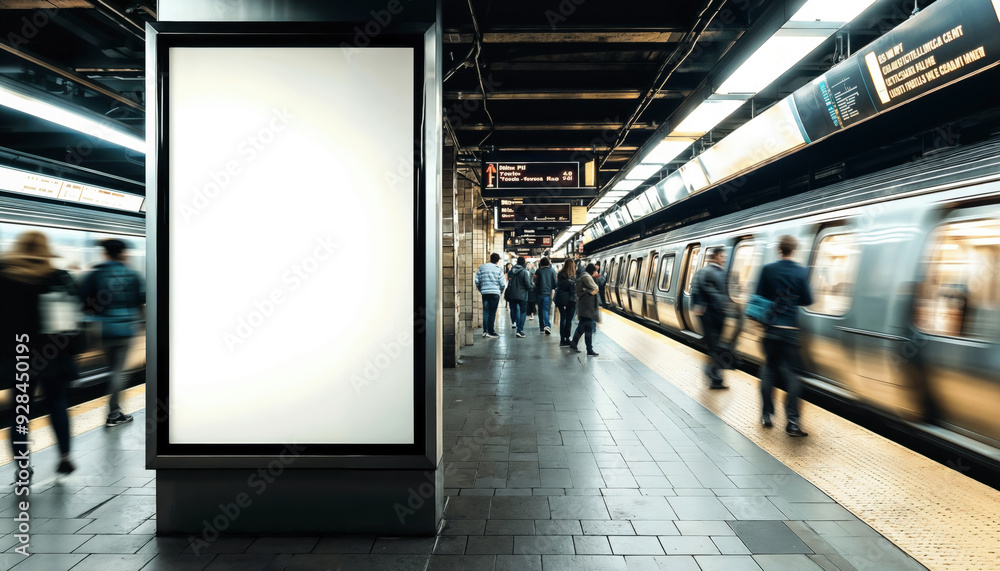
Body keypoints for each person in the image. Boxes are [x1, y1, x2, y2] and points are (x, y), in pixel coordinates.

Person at [0, 231, 78, 478]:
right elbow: (72, 320)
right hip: (52, 354)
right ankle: (65, 458)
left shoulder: (3, 277)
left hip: (17, 355)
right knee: (57, 403)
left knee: (20, 412)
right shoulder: (58, 277)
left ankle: (23, 467)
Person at [79, 238, 145, 427]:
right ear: (123, 253)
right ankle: (114, 413)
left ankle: (116, 412)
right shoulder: (132, 274)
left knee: (112, 370)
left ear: (105, 253)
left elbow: (84, 301)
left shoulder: (95, 274)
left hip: (104, 329)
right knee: (118, 371)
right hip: (125, 329)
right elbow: (140, 300)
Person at [756, 235, 814, 437]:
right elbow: (807, 300)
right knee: (792, 376)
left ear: (779, 249)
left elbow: (759, 297)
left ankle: (766, 415)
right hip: (790, 332)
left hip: (770, 330)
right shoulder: (801, 272)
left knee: (769, 370)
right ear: (794, 250)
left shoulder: (767, 270)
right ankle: (792, 422)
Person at [692, 247, 732, 390]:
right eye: (722, 256)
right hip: (710, 315)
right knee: (715, 347)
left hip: (718, 315)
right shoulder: (706, 272)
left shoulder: (720, 272)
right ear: (715, 256)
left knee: (715, 347)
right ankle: (715, 377)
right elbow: (697, 290)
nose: (725, 258)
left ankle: (712, 373)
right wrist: (699, 305)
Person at [569, 263, 600, 356]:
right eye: (596, 270)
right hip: (586, 307)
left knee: (582, 327)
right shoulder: (586, 277)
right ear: (593, 271)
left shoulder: (584, 276)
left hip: (585, 306)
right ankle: (589, 350)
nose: (597, 272)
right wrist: (591, 292)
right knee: (588, 328)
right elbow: (596, 288)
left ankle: (574, 344)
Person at [475, 253, 506, 339]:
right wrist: (500, 291)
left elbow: (477, 280)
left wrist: (481, 289)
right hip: (495, 292)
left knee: (486, 311)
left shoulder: (482, 267)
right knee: (492, 312)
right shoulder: (499, 269)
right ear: (497, 260)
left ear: (490, 258)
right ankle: (491, 331)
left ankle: (485, 331)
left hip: (485, 292)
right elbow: (503, 283)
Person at [506, 257, 532, 338]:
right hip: (522, 295)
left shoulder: (511, 271)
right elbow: (527, 284)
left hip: (512, 294)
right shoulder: (524, 272)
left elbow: (509, 280)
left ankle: (514, 322)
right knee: (522, 312)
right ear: (523, 263)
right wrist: (531, 288)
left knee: (514, 309)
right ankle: (520, 330)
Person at [555, 259, 577, 346]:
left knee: (563, 318)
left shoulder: (560, 274)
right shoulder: (573, 276)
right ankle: (567, 338)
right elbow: (572, 290)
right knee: (568, 319)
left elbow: (559, 285)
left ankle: (562, 339)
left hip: (560, 298)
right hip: (570, 300)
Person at [534, 257, 557, 335]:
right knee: (545, 310)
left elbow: (536, 283)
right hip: (548, 293)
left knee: (540, 310)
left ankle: (541, 327)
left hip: (540, 293)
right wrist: (552, 288)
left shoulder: (539, 271)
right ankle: (547, 325)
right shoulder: (552, 271)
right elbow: (555, 283)